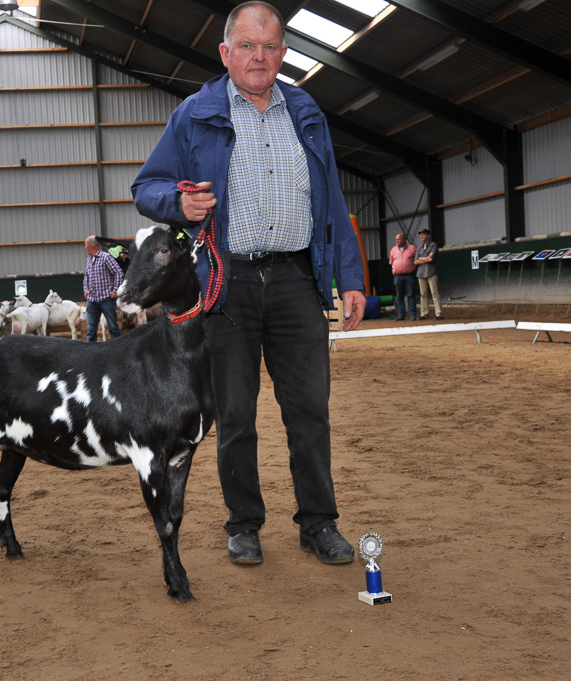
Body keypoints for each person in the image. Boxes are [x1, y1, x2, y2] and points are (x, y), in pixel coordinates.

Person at [131, 1, 366, 568]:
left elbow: (332, 201)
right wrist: (179, 202)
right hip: (226, 281)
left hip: (296, 280)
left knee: (309, 410)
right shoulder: (195, 113)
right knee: (234, 414)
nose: (258, 57)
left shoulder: (307, 111)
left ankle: (319, 523)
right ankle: (244, 524)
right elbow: (147, 186)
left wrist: (351, 277)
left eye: (269, 47)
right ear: (226, 53)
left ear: (283, 53)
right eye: (247, 46)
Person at [83, 235, 124, 342]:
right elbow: (86, 276)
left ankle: (118, 348)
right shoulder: (89, 260)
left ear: (91, 245)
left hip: (106, 299)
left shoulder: (106, 257)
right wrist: (85, 289)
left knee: (113, 328)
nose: (85, 248)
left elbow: (118, 273)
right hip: (92, 300)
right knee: (91, 329)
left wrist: (115, 290)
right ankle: (90, 351)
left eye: (85, 245)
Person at [414, 228, 443, 320]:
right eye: (421, 234)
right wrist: (425, 258)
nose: (422, 236)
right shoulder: (419, 247)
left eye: (423, 234)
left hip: (431, 272)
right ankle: (424, 314)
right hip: (421, 273)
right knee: (423, 294)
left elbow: (431, 259)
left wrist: (421, 258)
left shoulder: (433, 245)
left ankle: (438, 313)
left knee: (434, 293)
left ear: (428, 235)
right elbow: (415, 261)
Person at [389, 232, 417, 321]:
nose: (397, 241)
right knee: (399, 296)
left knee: (411, 295)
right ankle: (401, 315)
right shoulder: (393, 250)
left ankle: (413, 315)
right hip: (397, 276)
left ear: (404, 239)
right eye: (396, 239)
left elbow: (417, 260)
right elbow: (391, 262)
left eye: (399, 239)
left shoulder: (412, 248)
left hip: (409, 275)